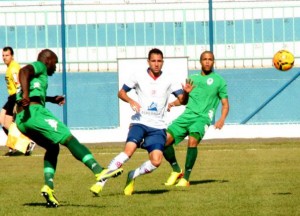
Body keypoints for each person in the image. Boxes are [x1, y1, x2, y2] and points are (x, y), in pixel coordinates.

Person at [15, 49, 123, 207]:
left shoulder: (38, 79)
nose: (55, 67)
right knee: (67, 137)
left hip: (21, 119)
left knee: (53, 148)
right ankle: (99, 170)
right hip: (34, 113)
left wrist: (51, 99)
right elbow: (24, 71)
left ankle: (49, 187)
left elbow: (32, 92)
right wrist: (25, 95)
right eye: (55, 63)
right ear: (48, 60)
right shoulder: (41, 66)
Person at [90, 48, 193, 196]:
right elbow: (121, 92)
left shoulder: (170, 79)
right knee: (128, 151)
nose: (156, 64)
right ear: (148, 62)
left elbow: (183, 102)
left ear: (162, 62)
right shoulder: (138, 76)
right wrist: (131, 101)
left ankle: (132, 175)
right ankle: (100, 184)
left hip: (158, 127)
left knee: (156, 161)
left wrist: (187, 93)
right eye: (153, 61)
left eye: (159, 61)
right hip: (140, 122)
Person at [163, 50, 229, 187]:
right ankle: (176, 170)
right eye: (204, 59)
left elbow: (225, 104)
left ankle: (186, 178)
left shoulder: (219, 81)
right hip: (187, 115)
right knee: (164, 140)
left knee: (192, 141)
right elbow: (184, 101)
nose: (207, 61)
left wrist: (222, 119)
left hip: (202, 118)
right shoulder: (192, 78)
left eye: (210, 59)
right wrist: (174, 103)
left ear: (213, 62)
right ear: (200, 62)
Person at [1, 46, 35, 156]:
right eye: (3, 55)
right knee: (3, 120)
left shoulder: (14, 68)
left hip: (15, 96)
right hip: (11, 97)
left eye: (7, 55)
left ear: (12, 56)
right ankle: (14, 146)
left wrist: (19, 100)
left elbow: (18, 84)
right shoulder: (10, 67)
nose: (4, 57)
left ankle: (26, 143)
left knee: (7, 123)